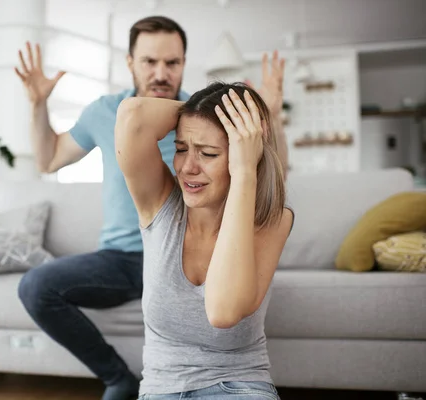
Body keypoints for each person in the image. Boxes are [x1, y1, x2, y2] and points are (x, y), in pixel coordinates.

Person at [15, 16, 191, 400]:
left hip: (184, 257)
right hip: (121, 261)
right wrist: (38, 104)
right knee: (35, 286)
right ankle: (118, 378)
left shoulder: (200, 115)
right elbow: (48, 160)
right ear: (130, 62)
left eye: (172, 63)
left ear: (183, 64)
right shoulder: (104, 111)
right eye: (149, 61)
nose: (161, 73)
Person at [114, 82, 294, 400]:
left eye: (208, 153)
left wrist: (244, 173)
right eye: (181, 148)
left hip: (239, 385)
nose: (187, 167)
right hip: (162, 389)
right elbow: (133, 114)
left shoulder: (272, 221)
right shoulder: (158, 203)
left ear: (246, 153)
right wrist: (214, 111)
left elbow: (222, 312)